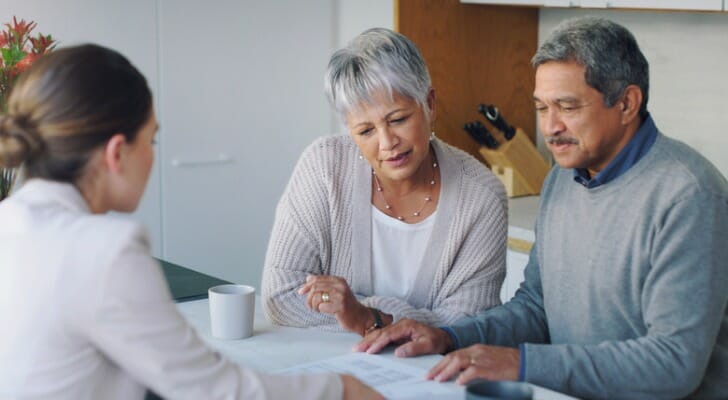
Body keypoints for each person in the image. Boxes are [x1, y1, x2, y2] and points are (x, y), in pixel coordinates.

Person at [354, 17, 728, 400]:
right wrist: (448, 336)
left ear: (627, 103)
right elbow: (537, 307)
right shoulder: (562, 179)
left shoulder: (689, 195)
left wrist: (523, 364)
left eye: (567, 106)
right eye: (542, 107)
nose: (550, 127)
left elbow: (674, 363)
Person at [0, 44, 380, 400]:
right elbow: (213, 391)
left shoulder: (11, 221)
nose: (152, 157)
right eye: (151, 141)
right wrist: (341, 389)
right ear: (117, 152)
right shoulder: (105, 252)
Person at [261, 27, 507, 336]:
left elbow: (467, 326)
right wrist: (414, 319)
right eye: (366, 131)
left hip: (427, 375)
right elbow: (281, 298)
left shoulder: (482, 197)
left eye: (398, 120)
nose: (387, 142)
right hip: (334, 368)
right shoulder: (324, 167)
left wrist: (367, 316)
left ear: (429, 105)